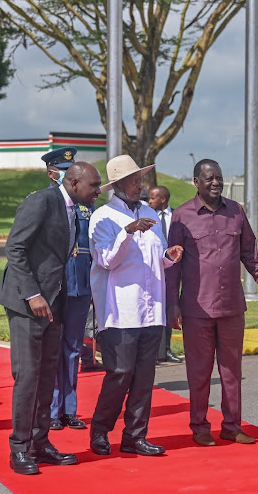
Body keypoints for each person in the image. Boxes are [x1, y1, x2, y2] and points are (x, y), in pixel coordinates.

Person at [0, 161, 102, 475]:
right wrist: (32, 294)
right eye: (93, 186)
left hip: (55, 305)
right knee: (28, 377)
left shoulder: (74, 210)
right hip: (27, 303)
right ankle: (20, 448)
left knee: (46, 376)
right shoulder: (42, 201)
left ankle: (40, 443)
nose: (97, 191)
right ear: (73, 183)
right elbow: (14, 247)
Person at [167, 160, 258, 447]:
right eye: (209, 178)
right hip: (196, 309)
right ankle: (200, 426)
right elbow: (172, 266)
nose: (215, 182)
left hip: (231, 307)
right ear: (196, 182)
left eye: (219, 177)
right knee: (199, 372)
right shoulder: (181, 216)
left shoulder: (236, 212)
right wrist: (172, 304)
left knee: (231, 371)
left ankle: (231, 426)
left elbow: (250, 254)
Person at [88, 155, 183, 457]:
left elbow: (154, 259)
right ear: (117, 185)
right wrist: (128, 232)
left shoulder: (149, 212)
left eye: (140, 179)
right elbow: (105, 260)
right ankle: (101, 431)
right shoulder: (102, 216)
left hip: (151, 309)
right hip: (120, 311)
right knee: (120, 374)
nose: (139, 185)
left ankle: (135, 435)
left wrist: (169, 256)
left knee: (144, 377)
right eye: (133, 180)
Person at [38, 148, 97, 431]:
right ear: (52, 173)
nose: (67, 173)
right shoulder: (41, 202)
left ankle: (68, 409)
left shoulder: (87, 206)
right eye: (63, 169)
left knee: (73, 348)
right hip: (54, 286)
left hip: (80, 285)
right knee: (51, 349)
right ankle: (50, 409)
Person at [149, 185, 182, 364]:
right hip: (154, 269)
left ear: (163, 199)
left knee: (170, 308)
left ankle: (167, 350)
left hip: (173, 268)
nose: (149, 201)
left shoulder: (177, 216)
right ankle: (153, 353)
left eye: (153, 198)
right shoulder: (148, 216)